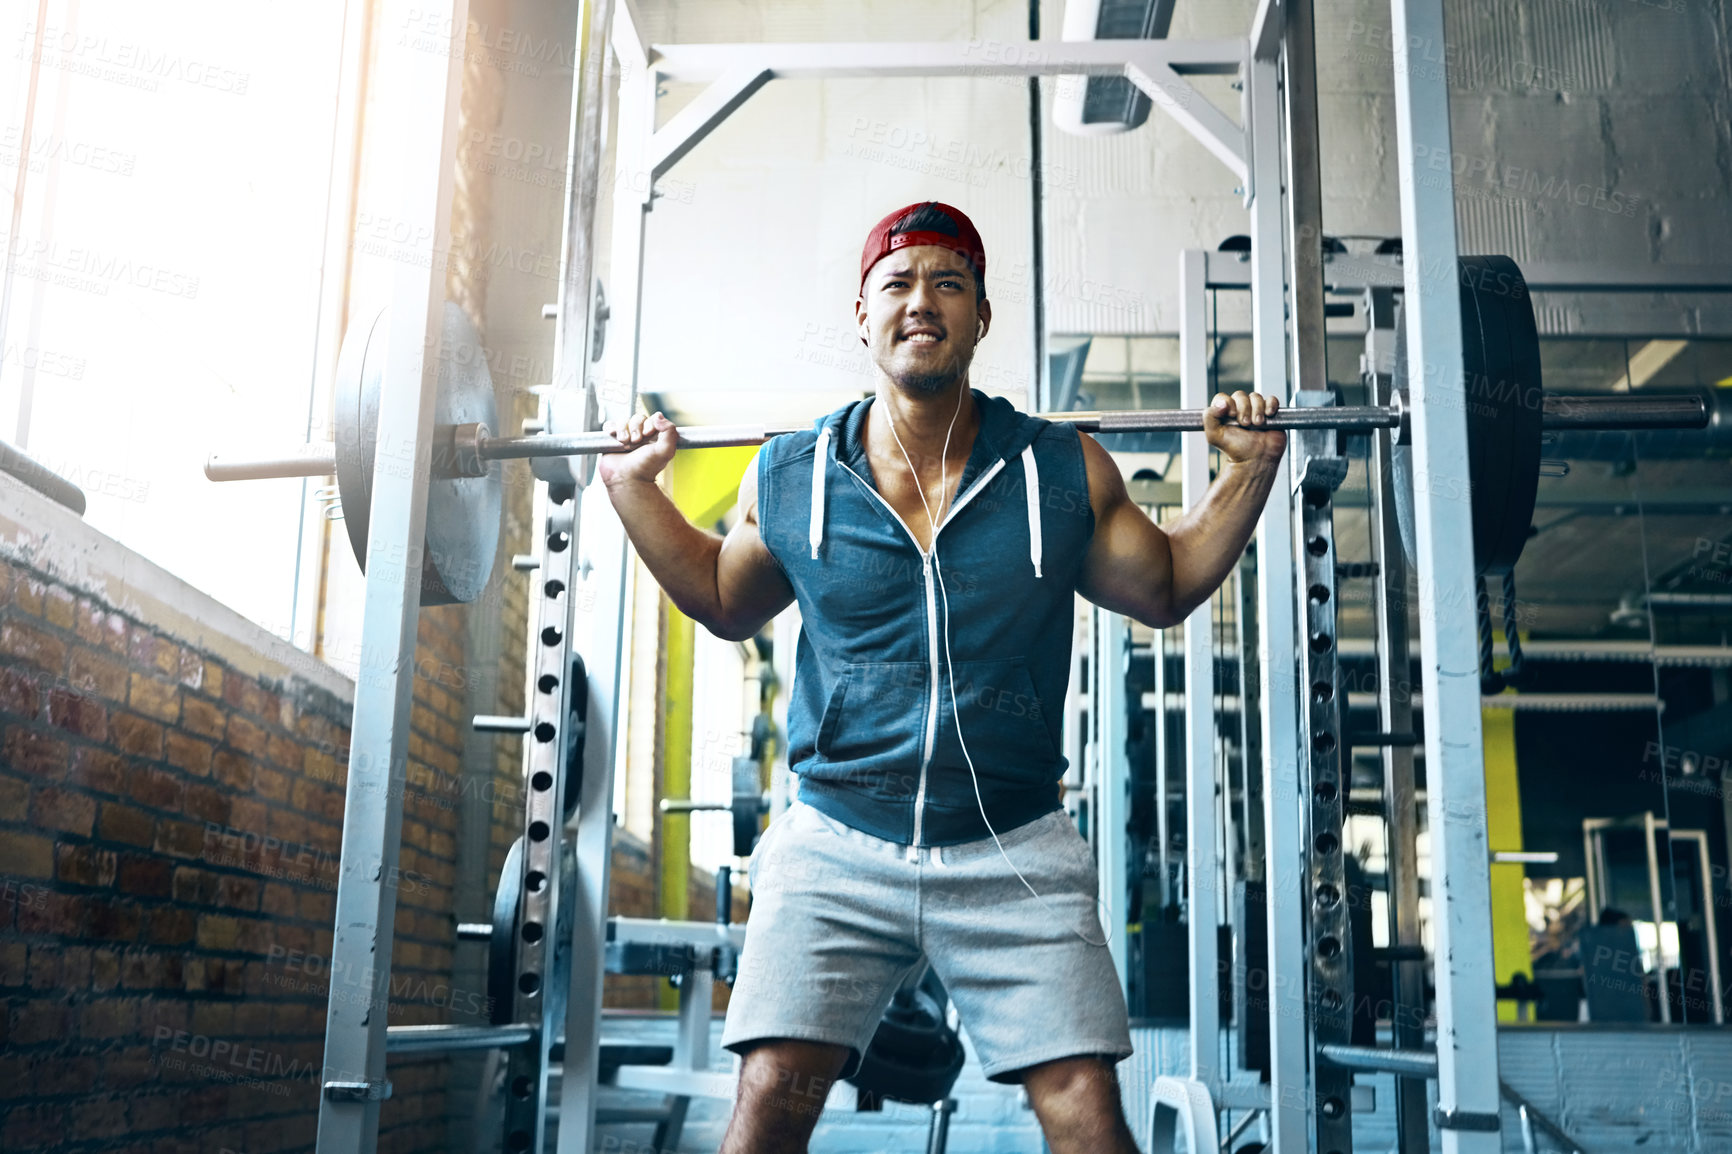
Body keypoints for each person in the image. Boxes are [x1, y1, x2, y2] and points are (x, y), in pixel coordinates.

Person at [600, 201, 1285, 1154]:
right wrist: (634, 489)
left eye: (948, 284)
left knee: (1087, 1113)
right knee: (765, 1107)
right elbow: (723, 596)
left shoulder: (1061, 469)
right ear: (864, 314)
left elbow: (1164, 585)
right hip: (837, 840)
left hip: (1012, 848)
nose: (922, 302)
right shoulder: (794, 474)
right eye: (899, 284)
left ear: (981, 317)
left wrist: (1248, 472)